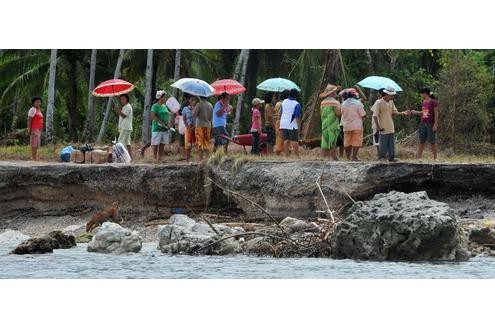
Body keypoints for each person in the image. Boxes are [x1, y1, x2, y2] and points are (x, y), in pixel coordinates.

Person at [372, 86, 409, 162]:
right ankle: (382, 157)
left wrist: (402, 113)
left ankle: (391, 157)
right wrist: (378, 127)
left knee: (391, 143)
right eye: (391, 95)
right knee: (383, 143)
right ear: (387, 94)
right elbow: (375, 116)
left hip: (390, 125)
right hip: (383, 126)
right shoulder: (379, 102)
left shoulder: (391, 102)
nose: (393, 96)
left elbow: (394, 112)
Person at [409, 87, 439, 161]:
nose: (421, 95)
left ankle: (435, 158)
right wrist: (415, 112)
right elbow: (424, 112)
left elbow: (436, 113)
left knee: (432, 141)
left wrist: (435, 124)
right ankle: (419, 157)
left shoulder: (433, 102)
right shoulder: (424, 102)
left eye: (421, 94)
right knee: (422, 140)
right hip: (423, 123)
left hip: (430, 123)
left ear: (425, 93)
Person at [340, 88, 366, 161]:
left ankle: (348, 157)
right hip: (356, 125)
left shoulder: (343, 104)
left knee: (347, 142)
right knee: (356, 141)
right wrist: (364, 117)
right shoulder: (358, 103)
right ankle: (354, 157)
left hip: (346, 126)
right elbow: (363, 114)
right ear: (354, 95)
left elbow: (342, 113)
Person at [319, 84, 342, 160]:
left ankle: (323, 157)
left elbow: (321, 113)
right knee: (333, 141)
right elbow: (338, 114)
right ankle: (333, 157)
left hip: (324, 124)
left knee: (325, 141)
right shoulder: (335, 103)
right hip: (333, 124)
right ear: (332, 93)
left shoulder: (323, 102)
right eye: (335, 92)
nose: (336, 94)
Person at [280, 88, 302, 157]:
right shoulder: (296, 104)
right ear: (295, 95)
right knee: (294, 140)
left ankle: (286, 155)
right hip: (292, 124)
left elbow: (281, 112)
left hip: (283, 123)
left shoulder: (283, 102)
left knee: (286, 140)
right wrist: (299, 126)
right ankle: (297, 156)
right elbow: (297, 116)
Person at [151, 90, 171, 161]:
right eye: (164, 97)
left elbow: (167, 115)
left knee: (162, 143)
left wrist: (168, 123)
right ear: (160, 98)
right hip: (157, 127)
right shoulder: (155, 106)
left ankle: (160, 157)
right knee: (156, 143)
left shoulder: (164, 106)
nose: (165, 99)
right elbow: (153, 116)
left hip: (164, 128)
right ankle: (155, 157)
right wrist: (161, 122)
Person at [194, 96, 213, 161]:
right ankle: (207, 159)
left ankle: (201, 160)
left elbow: (194, 115)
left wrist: (193, 109)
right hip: (208, 125)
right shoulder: (210, 105)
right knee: (206, 142)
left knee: (199, 142)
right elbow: (211, 118)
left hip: (200, 125)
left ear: (200, 97)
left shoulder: (199, 104)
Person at [113, 94, 133, 158]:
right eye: (121, 99)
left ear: (127, 99)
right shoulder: (125, 107)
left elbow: (123, 115)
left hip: (125, 127)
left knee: (120, 143)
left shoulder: (128, 106)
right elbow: (121, 115)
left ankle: (122, 157)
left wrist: (117, 109)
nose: (122, 101)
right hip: (126, 127)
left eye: (123, 99)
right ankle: (130, 157)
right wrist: (117, 110)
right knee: (127, 143)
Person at [370, 88, 385, 158]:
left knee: (377, 140)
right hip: (381, 123)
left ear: (379, 94)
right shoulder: (385, 102)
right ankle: (381, 155)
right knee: (380, 139)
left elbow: (373, 111)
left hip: (377, 124)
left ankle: (380, 155)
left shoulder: (378, 102)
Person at [27, 96, 43, 161]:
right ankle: (33, 158)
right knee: (34, 143)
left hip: (38, 129)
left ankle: (35, 157)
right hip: (34, 128)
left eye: (40, 102)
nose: (39, 103)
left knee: (37, 143)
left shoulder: (38, 110)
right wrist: (28, 128)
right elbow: (29, 119)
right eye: (37, 102)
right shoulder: (32, 109)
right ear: (33, 103)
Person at [182, 95, 197, 162]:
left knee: (196, 143)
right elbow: (184, 119)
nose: (193, 101)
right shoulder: (185, 109)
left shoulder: (196, 108)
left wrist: (194, 127)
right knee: (188, 144)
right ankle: (187, 159)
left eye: (194, 99)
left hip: (195, 128)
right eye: (192, 99)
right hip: (188, 128)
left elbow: (198, 119)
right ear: (189, 100)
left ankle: (198, 159)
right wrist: (188, 127)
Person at [274, 90, 289, 154]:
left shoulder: (278, 104)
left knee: (279, 139)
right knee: (285, 138)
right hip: (283, 121)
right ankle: (286, 152)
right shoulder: (284, 104)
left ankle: (279, 152)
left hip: (278, 122)